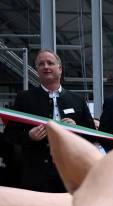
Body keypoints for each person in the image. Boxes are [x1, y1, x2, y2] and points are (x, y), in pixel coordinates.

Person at [4, 49, 96, 192]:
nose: (46, 66)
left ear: (60, 69)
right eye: (41, 64)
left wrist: (77, 129)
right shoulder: (24, 98)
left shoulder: (77, 100)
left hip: (70, 173)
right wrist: (29, 136)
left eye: (50, 63)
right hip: (36, 175)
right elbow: (10, 134)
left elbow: (92, 136)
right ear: (37, 70)